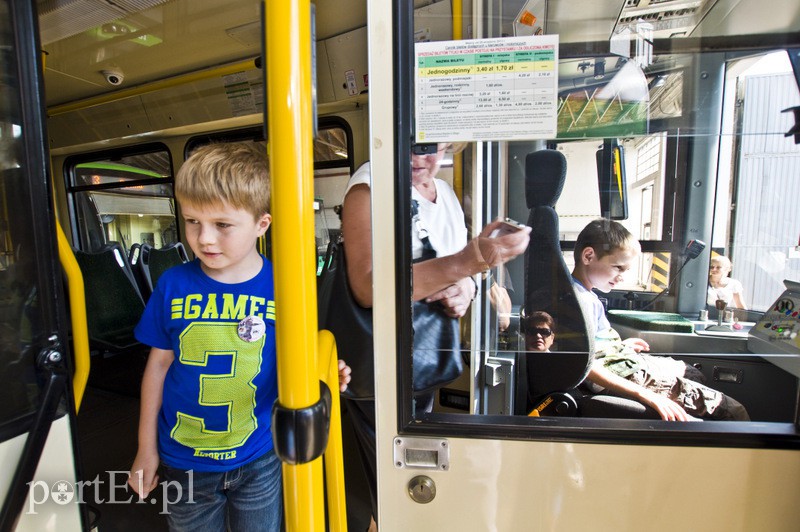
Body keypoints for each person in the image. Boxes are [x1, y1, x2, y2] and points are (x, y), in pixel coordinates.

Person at [127, 142, 351, 531]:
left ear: (262, 224)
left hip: (259, 455)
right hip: (184, 460)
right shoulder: (173, 284)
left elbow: (296, 359)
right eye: (192, 221)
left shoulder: (285, 286)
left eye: (222, 225)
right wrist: (146, 449)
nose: (204, 239)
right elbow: (158, 367)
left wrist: (326, 370)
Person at [341, 144, 530, 531]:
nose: (417, 158)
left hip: (425, 359)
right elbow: (366, 286)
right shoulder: (368, 189)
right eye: (407, 145)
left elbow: (457, 269)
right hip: (380, 367)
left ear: (448, 145)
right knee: (387, 480)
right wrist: (471, 261)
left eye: (429, 148)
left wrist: (468, 286)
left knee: (412, 467)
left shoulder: (443, 194)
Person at [571, 219, 749, 422]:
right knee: (735, 412)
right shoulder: (581, 300)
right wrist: (647, 395)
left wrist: (618, 346)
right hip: (622, 374)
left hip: (619, 361)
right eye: (618, 268)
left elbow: (590, 345)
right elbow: (585, 364)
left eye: (625, 270)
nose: (621, 277)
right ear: (588, 256)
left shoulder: (582, 292)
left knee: (691, 372)